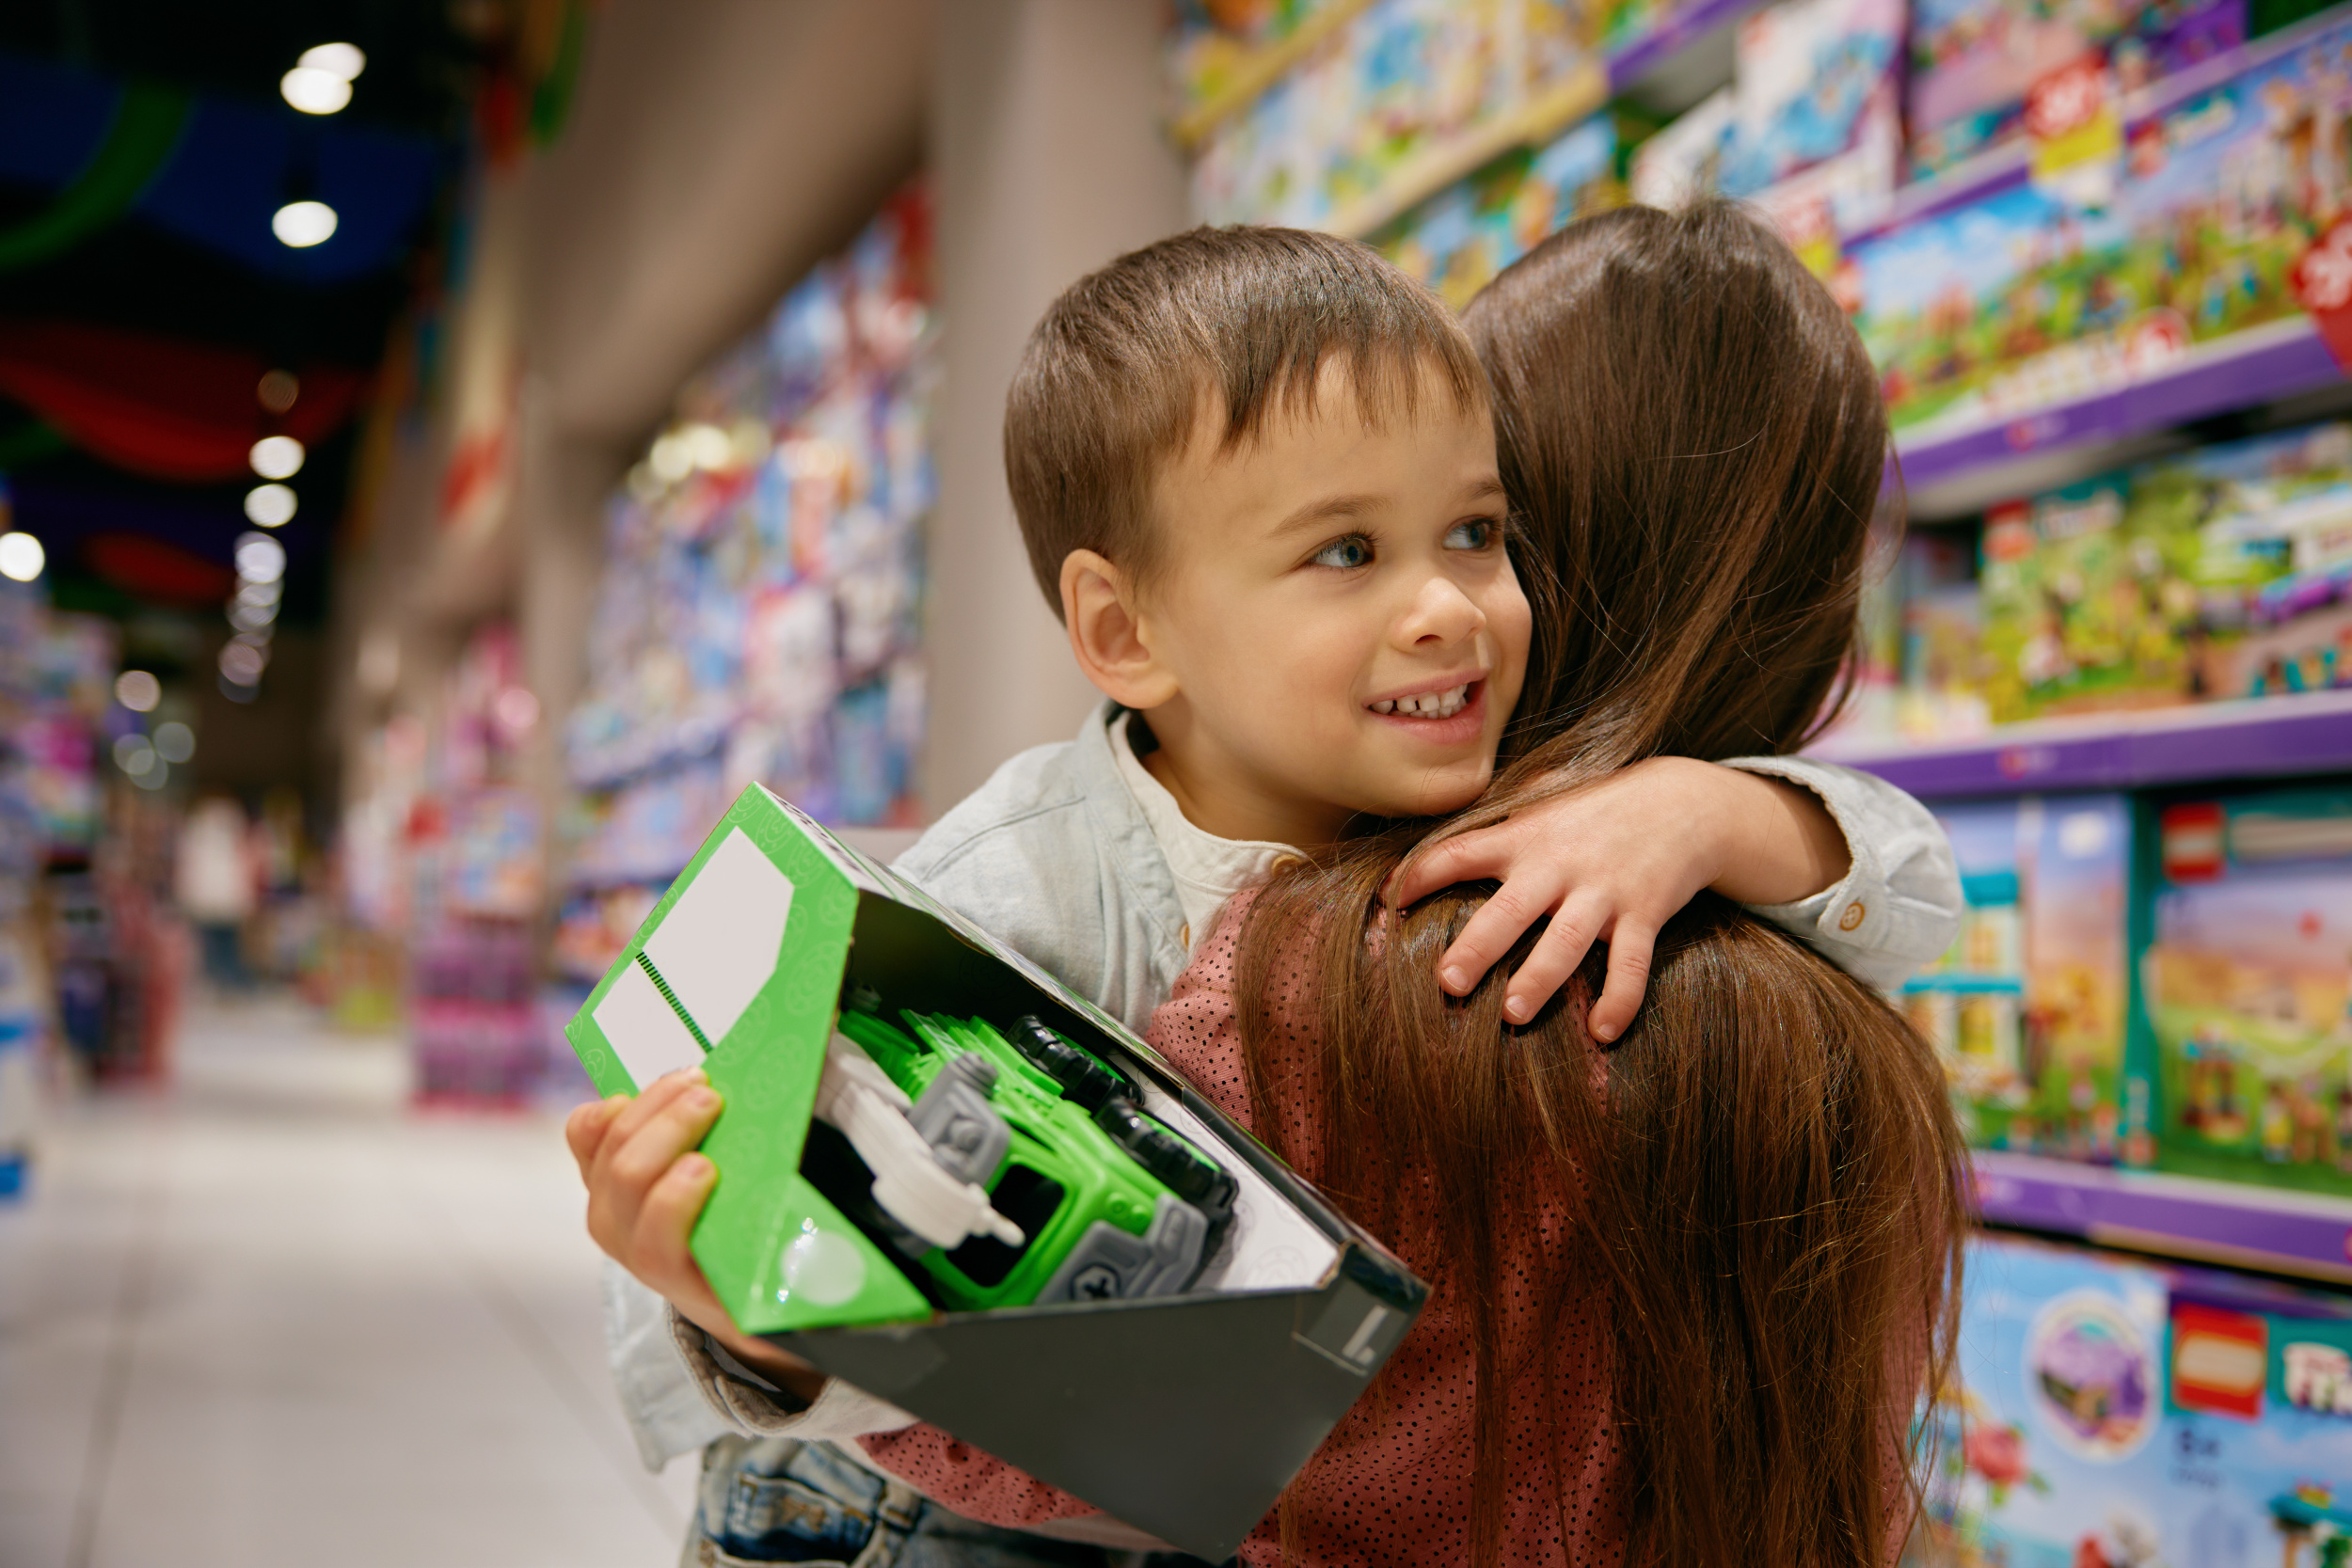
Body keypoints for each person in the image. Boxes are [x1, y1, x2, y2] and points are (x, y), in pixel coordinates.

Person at [568, 222, 1963, 1564]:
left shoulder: (1424, 822)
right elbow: (840, 1265)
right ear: (1127, 632)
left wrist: (1716, 808)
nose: (1446, 608)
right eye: (1348, 552)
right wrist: (750, 1327)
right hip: (863, 1462)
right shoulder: (1019, 898)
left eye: (1479, 532)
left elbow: (1917, 890)